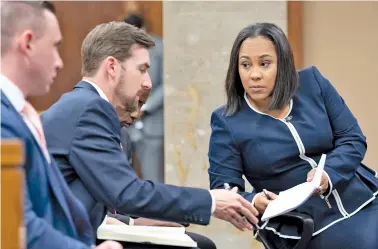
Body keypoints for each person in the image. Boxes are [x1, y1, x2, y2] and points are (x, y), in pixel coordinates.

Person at [40, 21, 259, 247]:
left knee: (195, 242)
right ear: (112, 67)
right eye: (142, 69)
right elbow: (127, 193)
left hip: (87, 231)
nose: (148, 82)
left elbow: (97, 195)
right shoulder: (89, 109)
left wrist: (132, 221)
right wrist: (211, 201)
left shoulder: (84, 105)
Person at [208, 22, 378, 249]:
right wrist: (254, 201)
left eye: (265, 64)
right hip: (301, 222)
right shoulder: (227, 120)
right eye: (245, 65)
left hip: (360, 197)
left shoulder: (313, 83)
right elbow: (224, 188)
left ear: (283, 64)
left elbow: (352, 139)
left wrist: (327, 174)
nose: (254, 75)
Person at [0, 1, 122, 249]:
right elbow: (17, 226)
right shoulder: (5, 117)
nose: (59, 62)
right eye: (55, 46)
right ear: (28, 43)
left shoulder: (18, 112)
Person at [124, 14, 165, 183]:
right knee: (122, 181)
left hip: (152, 125)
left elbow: (167, 84)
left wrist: (144, 107)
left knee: (153, 180)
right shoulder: (119, 49)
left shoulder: (160, 48)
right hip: (125, 126)